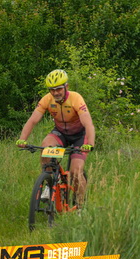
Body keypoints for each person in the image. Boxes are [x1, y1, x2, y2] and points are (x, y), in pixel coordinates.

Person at [16, 69, 95, 208]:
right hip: (60, 133)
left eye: (59, 89)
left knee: (76, 172)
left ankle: (80, 206)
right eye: (52, 90)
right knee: (45, 146)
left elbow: (88, 123)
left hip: (80, 136)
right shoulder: (47, 99)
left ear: (66, 86)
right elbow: (32, 120)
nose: (55, 93)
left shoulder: (76, 98)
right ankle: (50, 182)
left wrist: (90, 143)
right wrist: (22, 139)